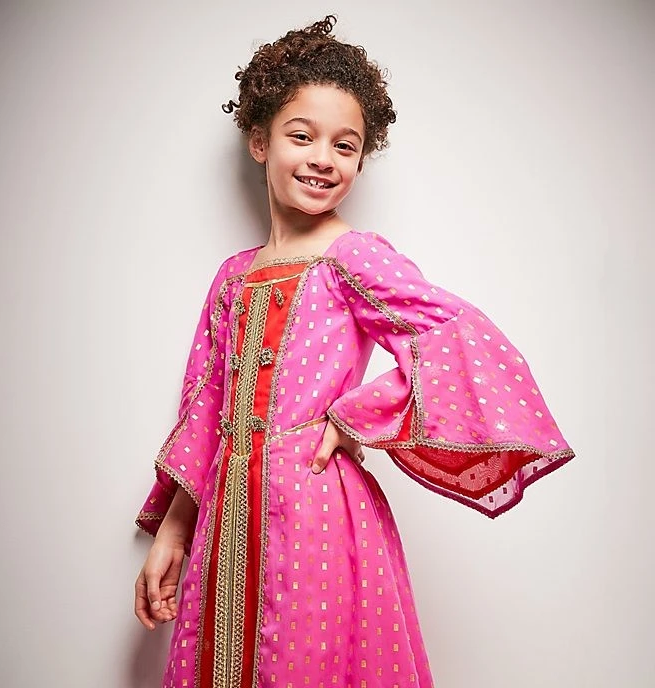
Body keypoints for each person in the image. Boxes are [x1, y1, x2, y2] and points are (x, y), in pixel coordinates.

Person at [133, 15, 575, 688]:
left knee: (303, 662)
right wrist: (173, 529)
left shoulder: (353, 257)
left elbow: (456, 337)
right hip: (224, 520)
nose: (323, 158)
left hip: (315, 516)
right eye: (301, 136)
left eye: (345, 145)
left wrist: (355, 415)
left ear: (361, 161)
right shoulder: (231, 277)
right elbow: (206, 409)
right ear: (259, 140)